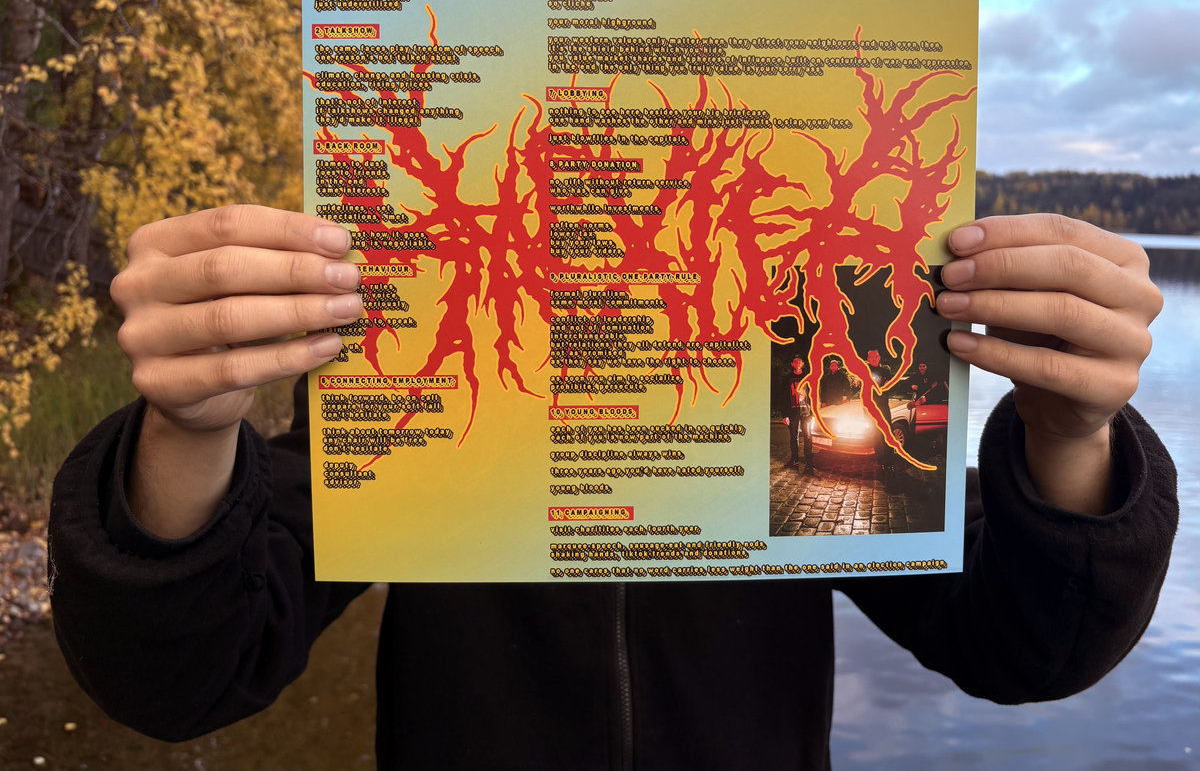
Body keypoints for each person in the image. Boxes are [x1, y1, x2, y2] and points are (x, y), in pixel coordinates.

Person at [48, 209, 1178, 771]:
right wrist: (188, 425)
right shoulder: (429, 373)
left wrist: (1070, 433)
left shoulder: (807, 387)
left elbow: (1026, 643)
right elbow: (181, 673)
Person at [784, 355, 814, 470]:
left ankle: (809, 461)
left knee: (808, 436)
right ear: (792, 364)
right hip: (792, 412)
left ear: (803, 364)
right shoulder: (787, 379)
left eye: (799, 362)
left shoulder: (808, 377)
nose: (797, 364)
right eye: (795, 362)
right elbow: (783, 397)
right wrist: (785, 415)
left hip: (806, 412)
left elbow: (813, 396)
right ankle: (795, 459)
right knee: (793, 436)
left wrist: (812, 413)